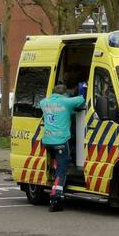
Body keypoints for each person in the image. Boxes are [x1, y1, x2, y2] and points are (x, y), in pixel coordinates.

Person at [37, 84, 86, 212]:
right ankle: (56, 196)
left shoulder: (44, 103)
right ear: (64, 94)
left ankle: (54, 175)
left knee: (56, 163)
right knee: (62, 168)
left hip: (47, 140)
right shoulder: (66, 101)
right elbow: (82, 99)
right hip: (61, 141)